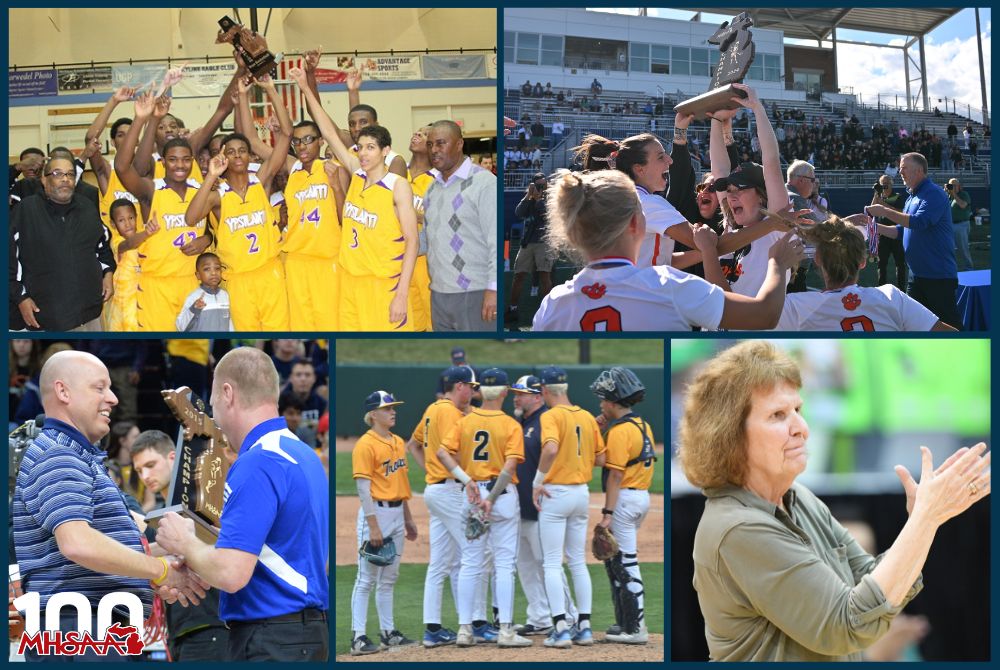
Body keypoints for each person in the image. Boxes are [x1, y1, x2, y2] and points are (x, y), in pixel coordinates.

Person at [677, 340, 990, 661]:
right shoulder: (738, 528)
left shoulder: (798, 497)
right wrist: (924, 521)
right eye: (778, 415)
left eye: (798, 410)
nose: (801, 428)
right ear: (729, 435)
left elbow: (872, 585)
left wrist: (923, 523)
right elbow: (848, 626)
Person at [12, 351, 206, 661]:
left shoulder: (76, 455)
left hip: (91, 628)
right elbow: (77, 544)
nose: (113, 398)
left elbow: (98, 549)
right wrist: (159, 570)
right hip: (79, 629)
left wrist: (174, 556)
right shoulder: (59, 454)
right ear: (63, 392)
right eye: (99, 387)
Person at [155, 346, 329, 661]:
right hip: (302, 633)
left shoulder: (258, 461)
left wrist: (184, 541)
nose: (215, 417)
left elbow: (232, 573)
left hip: (270, 639)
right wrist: (195, 563)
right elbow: (271, 553)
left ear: (228, 393)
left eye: (212, 406)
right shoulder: (302, 453)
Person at [531, 169, 804, 331]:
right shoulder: (669, 286)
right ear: (637, 224)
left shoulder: (552, 305)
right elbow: (764, 316)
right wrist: (778, 265)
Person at [290, 67, 418, 332]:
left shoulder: (398, 185)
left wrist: (402, 295)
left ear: (385, 151)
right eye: (360, 148)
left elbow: (412, 241)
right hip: (350, 282)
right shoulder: (356, 173)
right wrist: (304, 86)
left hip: (384, 284)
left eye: (371, 147)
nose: (364, 153)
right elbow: (328, 132)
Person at [184, 76, 293, 331]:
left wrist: (266, 90)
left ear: (249, 155)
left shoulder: (262, 180)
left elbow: (287, 134)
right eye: (230, 151)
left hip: (270, 273)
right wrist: (211, 174)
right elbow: (190, 219)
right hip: (237, 280)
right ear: (222, 157)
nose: (237, 155)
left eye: (241, 150)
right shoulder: (218, 194)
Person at [435, 368, 531, 648]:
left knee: (470, 564)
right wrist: (493, 497)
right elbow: (510, 465)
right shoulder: (511, 425)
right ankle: (505, 631)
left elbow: (442, 452)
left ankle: (465, 630)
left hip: (474, 495)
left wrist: (466, 481)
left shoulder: (465, 421)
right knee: (503, 565)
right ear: (503, 393)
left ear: (479, 392)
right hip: (501, 498)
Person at [405, 366, 491, 647]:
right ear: (459, 386)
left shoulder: (432, 409)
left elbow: (413, 445)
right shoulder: (453, 414)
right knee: (473, 551)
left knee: (441, 562)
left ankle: (433, 629)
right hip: (452, 491)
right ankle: (477, 623)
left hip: (435, 490)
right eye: (471, 386)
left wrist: (430, 472)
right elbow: (451, 452)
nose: (475, 392)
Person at [130, 430, 230, 661]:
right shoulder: (158, 515)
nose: (145, 475)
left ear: (173, 458)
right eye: (138, 470)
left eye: (151, 464)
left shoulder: (202, 501)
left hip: (210, 624)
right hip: (180, 629)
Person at [115, 92, 210, 332]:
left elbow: (214, 227)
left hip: (193, 283)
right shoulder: (150, 190)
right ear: (163, 162)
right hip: (157, 287)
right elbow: (122, 167)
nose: (180, 165)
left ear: (192, 161)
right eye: (173, 160)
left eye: (186, 160)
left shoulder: (202, 191)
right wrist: (142, 119)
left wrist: (207, 239)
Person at [775, 217, 956, 331]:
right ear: (862, 262)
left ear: (817, 259)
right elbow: (952, 338)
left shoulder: (795, 307)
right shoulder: (892, 297)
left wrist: (777, 266)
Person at [532, 367, 604, 648]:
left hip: (556, 491)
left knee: (552, 562)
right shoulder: (586, 416)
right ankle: (584, 628)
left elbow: (550, 449)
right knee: (577, 561)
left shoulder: (550, 416)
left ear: (545, 391)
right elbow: (601, 458)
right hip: (581, 494)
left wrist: (537, 482)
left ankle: (561, 628)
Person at [10, 155, 116, 331]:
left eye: (70, 174)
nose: (65, 179)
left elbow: (102, 245)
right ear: (44, 179)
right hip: (47, 317)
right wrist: (20, 297)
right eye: (58, 173)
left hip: (90, 314)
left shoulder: (87, 207)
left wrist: (108, 272)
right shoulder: (26, 211)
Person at [349, 390, 418, 656]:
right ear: (373, 414)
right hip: (375, 514)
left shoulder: (398, 441)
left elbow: (401, 483)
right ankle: (358, 637)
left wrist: (409, 519)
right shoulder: (365, 445)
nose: (393, 411)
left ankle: (389, 633)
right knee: (366, 579)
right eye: (387, 408)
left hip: (398, 513)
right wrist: (373, 526)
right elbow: (364, 490)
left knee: (390, 577)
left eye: (393, 407)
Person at [509, 375, 578, 637]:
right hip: (520, 505)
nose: (516, 397)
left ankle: (569, 617)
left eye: (522, 393)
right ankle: (538, 617)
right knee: (525, 564)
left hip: (542, 505)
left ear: (538, 396)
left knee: (546, 562)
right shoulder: (520, 422)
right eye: (515, 393)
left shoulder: (546, 421)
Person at [591, 368, 655, 645]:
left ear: (614, 401)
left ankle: (636, 629)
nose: (601, 403)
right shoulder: (641, 425)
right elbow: (604, 461)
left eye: (604, 399)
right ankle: (624, 623)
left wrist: (607, 513)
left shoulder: (620, 432)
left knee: (626, 563)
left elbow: (615, 474)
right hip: (639, 497)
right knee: (616, 563)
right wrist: (597, 429)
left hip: (625, 499)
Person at [865, 152, 961, 329]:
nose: (900, 172)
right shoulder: (911, 197)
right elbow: (901, 231)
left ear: (918, 170)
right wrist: (871, 227)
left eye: (904, 168)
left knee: (948, 327)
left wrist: (884, 211)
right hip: (916, 277)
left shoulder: (934, 194)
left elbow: (919, 222)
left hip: (937, 276)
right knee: (915, 326)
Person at [424, 120, 498, 331]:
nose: (434, 150)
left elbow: (495, 240)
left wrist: (493, 289)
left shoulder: (485, 183)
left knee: (480, 358)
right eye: (430, 145)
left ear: (459, 144)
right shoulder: (431, 188)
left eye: (440, 143)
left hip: (475, 293)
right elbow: (428, 240)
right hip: (438, 294)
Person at [282, 118, 342, 331]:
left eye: (308, 139)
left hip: (326, 258)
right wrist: (270, 89)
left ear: (321, 141)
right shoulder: (293, 169)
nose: (302, 145)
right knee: (301, 325)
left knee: (329, 323)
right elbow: (254, 141)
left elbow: (345, 217)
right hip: (297, 259)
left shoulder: (334, 169)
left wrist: (335, 187)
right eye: (297, 141)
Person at [506, 173, 555, 325]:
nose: (541, 187)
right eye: (538, 185)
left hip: (544, 241)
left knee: (544, 276)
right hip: (528, 241)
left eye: (543, 184)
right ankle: (513, 308)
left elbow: (548, 215)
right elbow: (519, 213)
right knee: (518, 275)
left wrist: (539, 199)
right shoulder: (529, 198)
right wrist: (529, 196)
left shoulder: (551, 198)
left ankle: (549, 311)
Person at [104, 199, 142, 331]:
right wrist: (147, 233)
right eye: (121, 220)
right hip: (119, 305)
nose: (127, 224)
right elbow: (129, 244)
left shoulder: (146, 242)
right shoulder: (116, 241)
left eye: (131, 218)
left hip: (140, 304)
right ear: (113, 224)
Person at [176, 252, 233, 332]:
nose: (213, 273)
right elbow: (181, 326)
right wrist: (194, 309)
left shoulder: (225, 295)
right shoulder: (194, 297)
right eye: (207, 269)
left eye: (217, 268)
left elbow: (230, 323)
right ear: (198, 275)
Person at [873, 175, 907, 289]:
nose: (885, 185)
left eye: (887, 183)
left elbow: (900, 212)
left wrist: (883, 205)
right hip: (882, 235)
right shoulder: (879, 197)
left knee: (900, 264)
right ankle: (881, 289)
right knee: (881, 264)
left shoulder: (897, 196)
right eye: (883, 183)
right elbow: (872, 210)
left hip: (896, 234)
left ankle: (902, 289)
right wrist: (876, 194)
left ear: (892, 184)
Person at [946, 177, 973, 272]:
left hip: (961, 225)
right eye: (950, 185)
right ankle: (951, 269)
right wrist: (945, 192)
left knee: (963, 248)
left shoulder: (964, 194)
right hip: (949, 225)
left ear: (959, 186)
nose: (952, 187)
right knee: (948, 248)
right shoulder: (948, 197)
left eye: (954, 185)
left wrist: (953, 194)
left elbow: (963, 205)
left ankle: (969, 268)